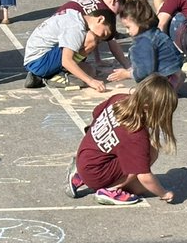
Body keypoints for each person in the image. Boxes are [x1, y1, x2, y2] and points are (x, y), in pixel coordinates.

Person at [64, 74, 178, 206]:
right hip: (96, 172)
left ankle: (80, 176)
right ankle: (110, 190)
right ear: (148, 108)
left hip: (84, 158)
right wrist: (164, 193)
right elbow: (143, 174)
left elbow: (96, 113)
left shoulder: (119, 99)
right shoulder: (136, 134)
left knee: (138, 176)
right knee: (142, 181)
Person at [22, 6, 114, 91]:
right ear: (100, 19)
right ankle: (51, 77)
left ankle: (47, 74)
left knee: (90, 70)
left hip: (37, 58)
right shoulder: (76, 27)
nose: (99, 38)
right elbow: (66, 61)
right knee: (91, 40)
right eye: (103, 34)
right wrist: (90, 81)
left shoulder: (75, 15)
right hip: (39, 62)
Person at [109, 0, 182, 89]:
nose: (127, 31)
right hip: (173, 72)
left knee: (139, 94)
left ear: (140, 22)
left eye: (128, 27)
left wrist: (127, 74)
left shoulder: (144, 42)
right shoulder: (155, 32)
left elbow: (145, 70)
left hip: (164, 82)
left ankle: (164, 91)